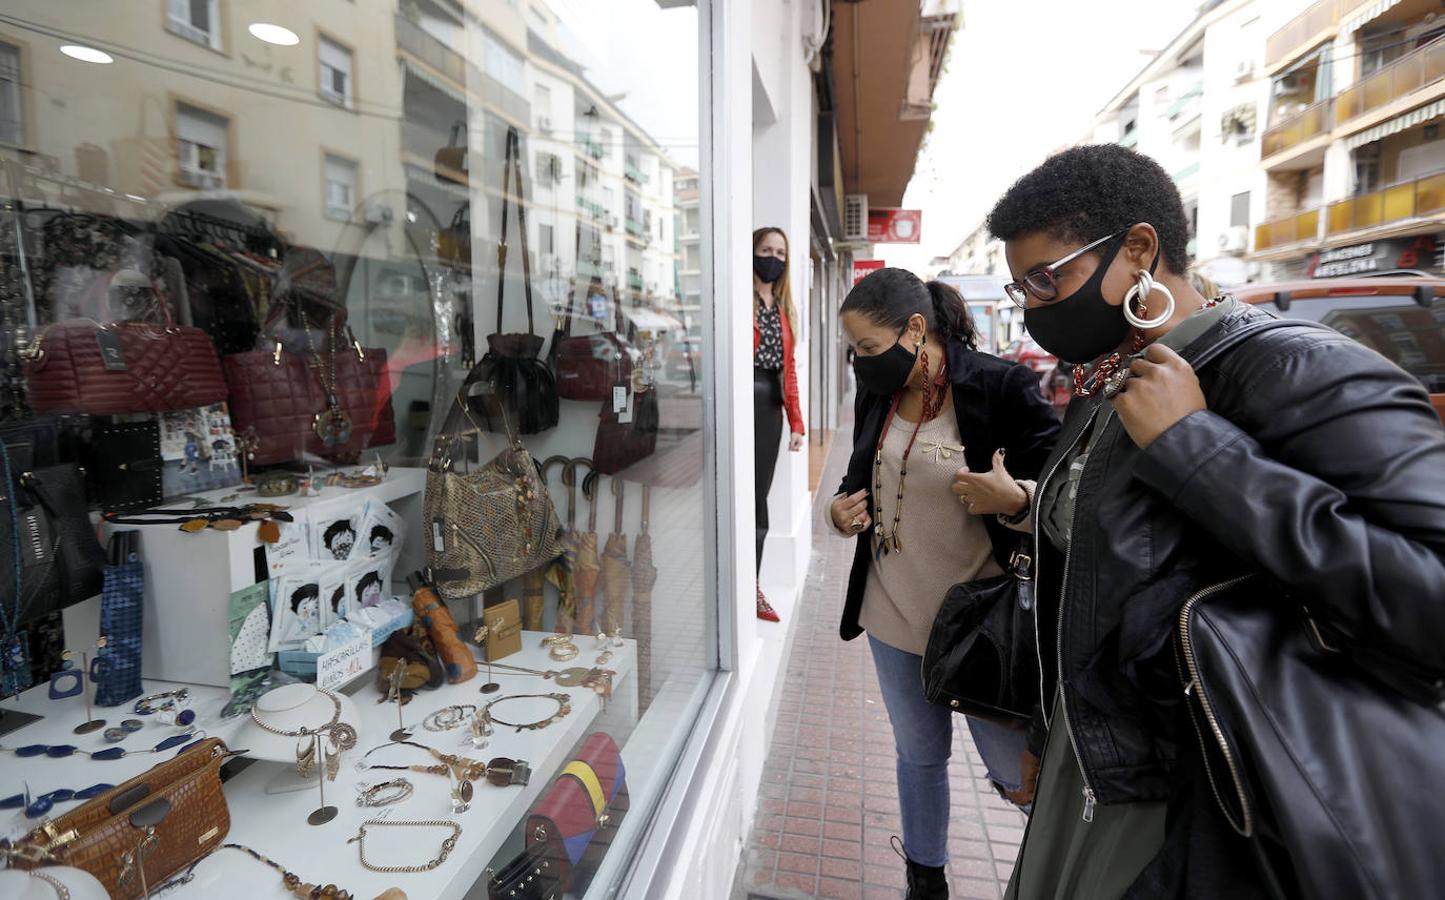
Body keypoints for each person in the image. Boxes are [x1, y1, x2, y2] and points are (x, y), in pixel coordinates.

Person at [986, 144, 1445, 898]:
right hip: (1100, 762)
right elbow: (1089, 590)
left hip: (1214, 799)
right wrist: (1046, 728)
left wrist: (1197, 453)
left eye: (1048, 279)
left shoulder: (1293, 370)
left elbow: (1428, 597)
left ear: (1137, 250)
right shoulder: (1112, 379)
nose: (1035, 309)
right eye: (1021, 287)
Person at [829, 268, 1060, 898]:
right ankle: (925, 880)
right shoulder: (877, 389)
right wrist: (839, 511)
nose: (860, 363)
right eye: (854, 352)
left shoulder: (1001, 386)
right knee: (919, 757)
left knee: (1017, 774)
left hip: (979, 629)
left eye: (869, 349)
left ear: (915, 329)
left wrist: (1016, 498)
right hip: (891, 615)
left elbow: (1067, 493)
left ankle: (1052, 877)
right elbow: (859, 474)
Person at [752, 227, 804, 622]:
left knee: (758, 497)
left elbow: (788, 373)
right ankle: (740, 581)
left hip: (769, 408)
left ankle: (751, 585)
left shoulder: (784, 307)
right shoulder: (740, 297)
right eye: (766, 250)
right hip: (740, 401)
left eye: (780, 252)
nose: (773, 258)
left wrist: (797, 423)